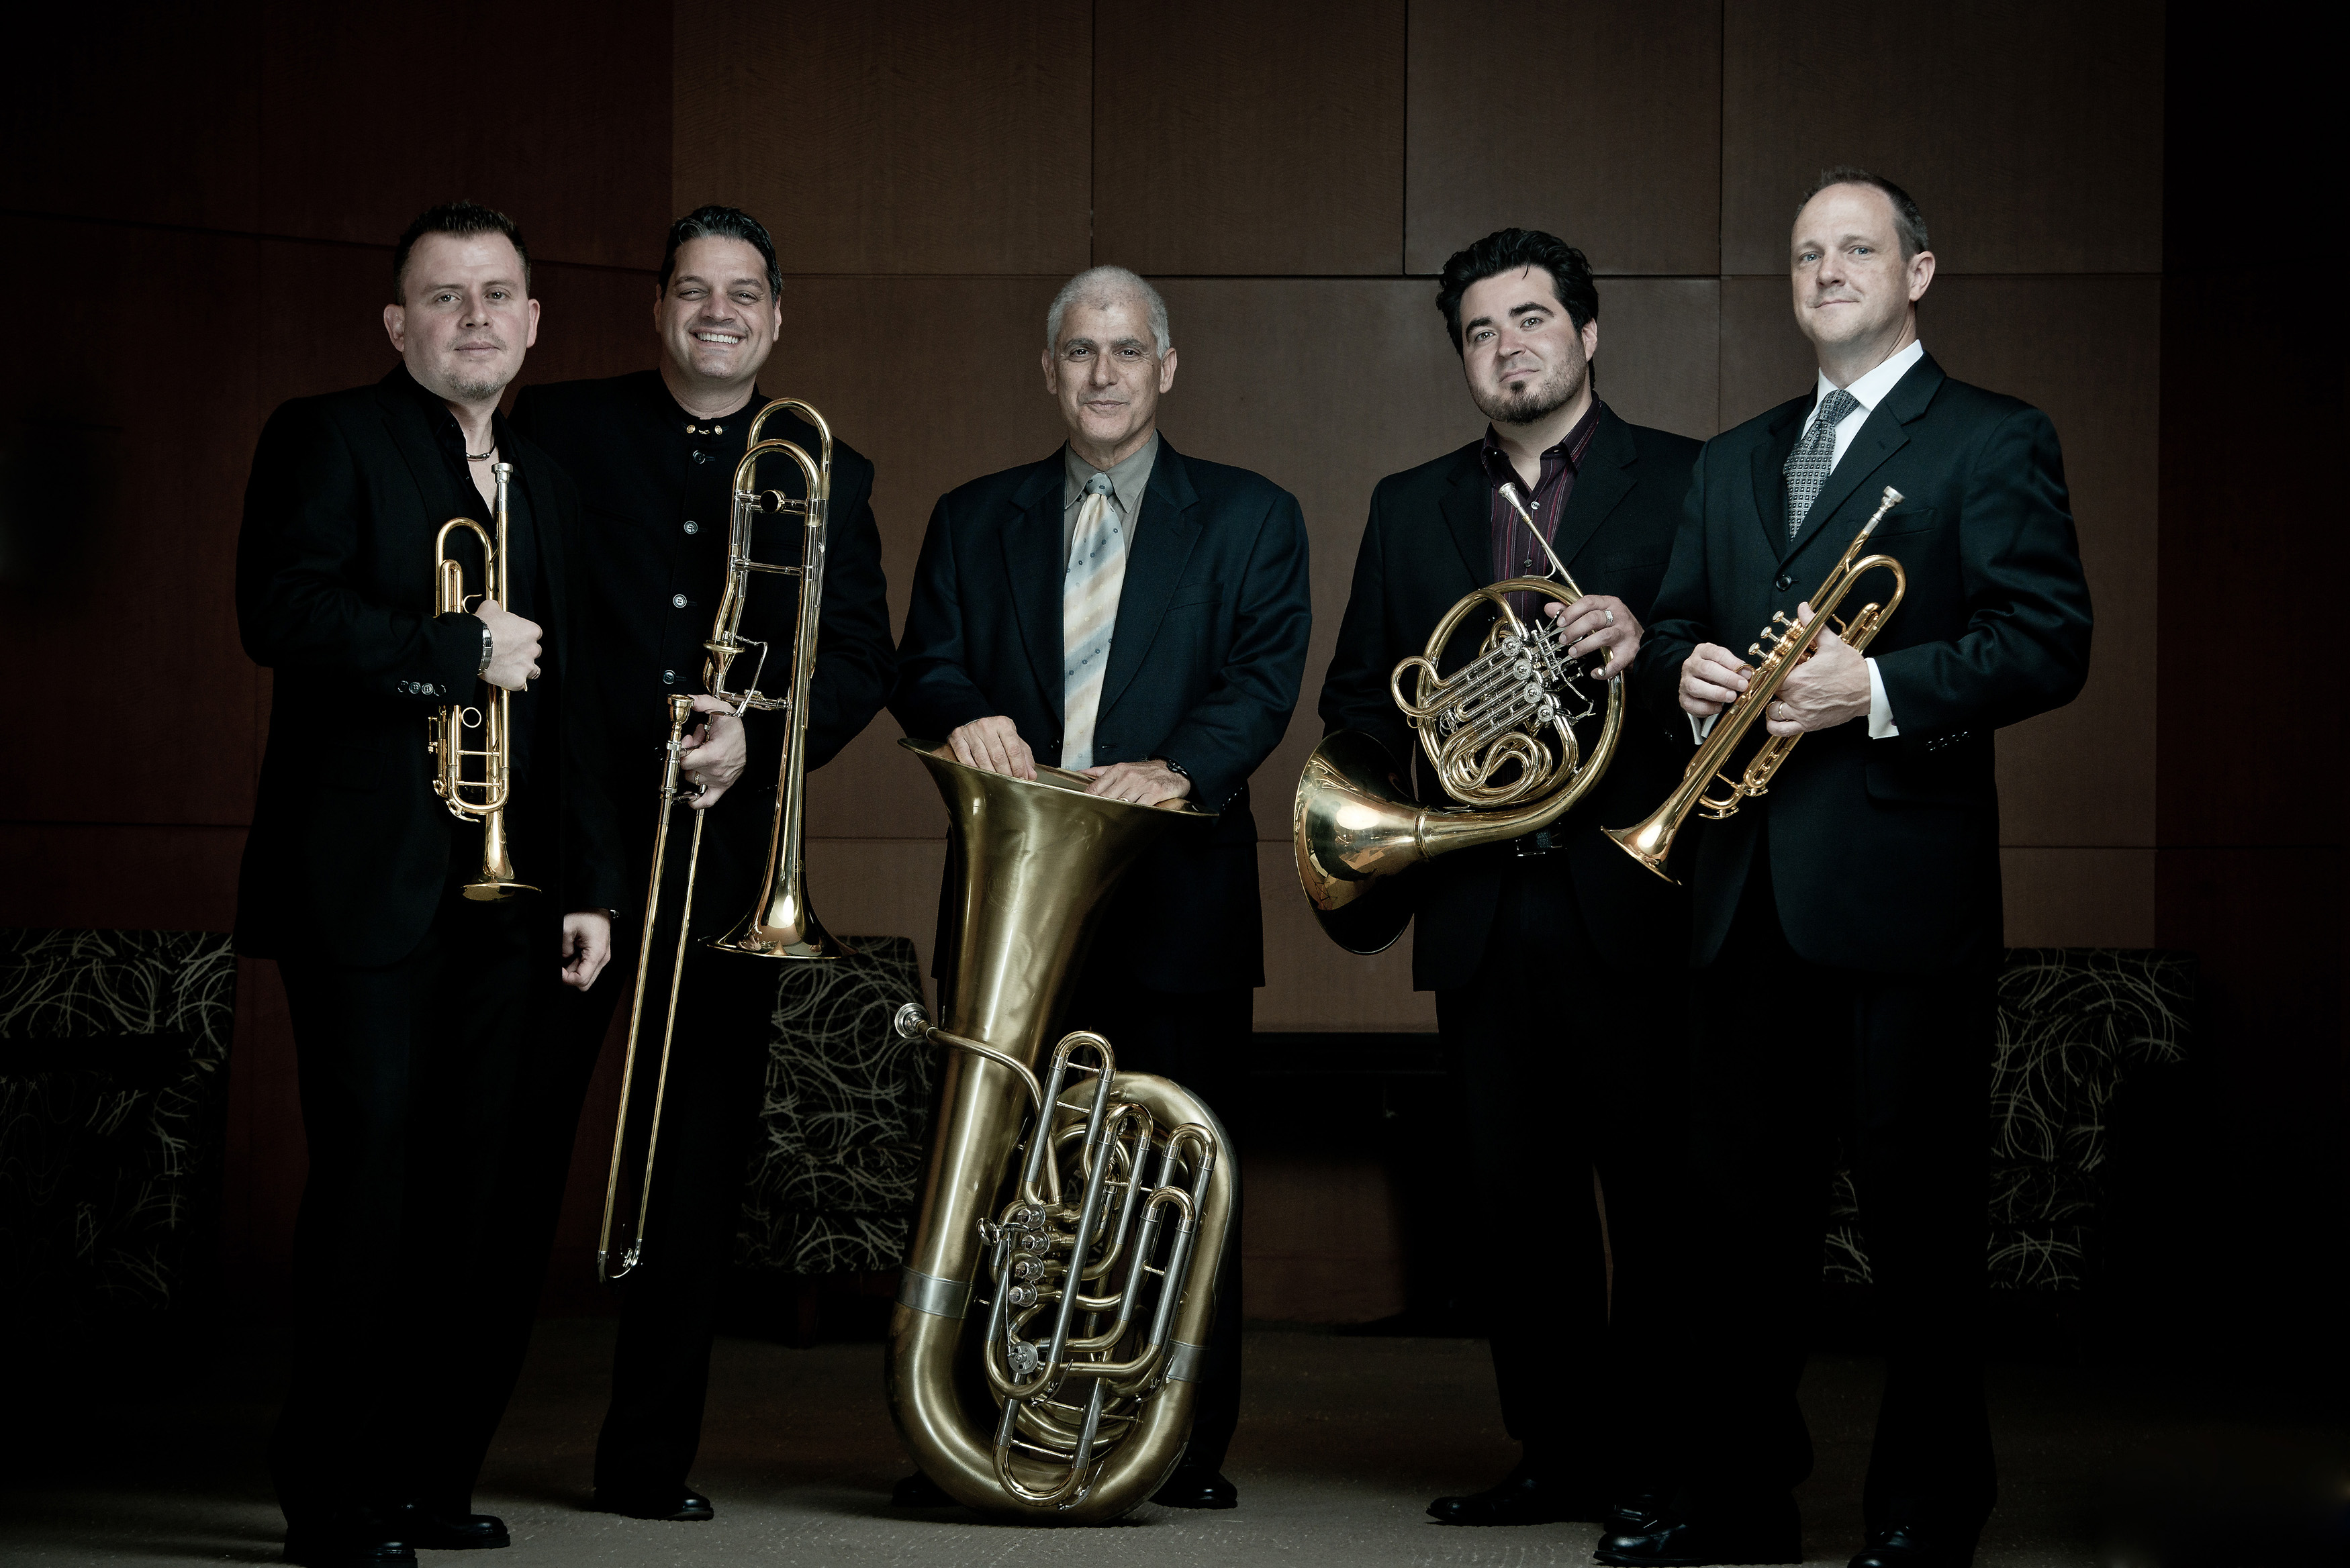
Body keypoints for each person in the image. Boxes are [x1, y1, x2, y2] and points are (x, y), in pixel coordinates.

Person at [1601, 170, 2092, 1568]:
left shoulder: (1990, 439)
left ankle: (1930, 1513)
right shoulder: (1731, 456)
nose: (1826, 269)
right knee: (1736, 1226)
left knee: (1921, 1227)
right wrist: (1688, 668)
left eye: (1856, 248)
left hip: (1896, 900)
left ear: (1917, 273)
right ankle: (1739, 1501)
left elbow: (2046, 640)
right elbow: (1692, 615)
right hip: (1742, 887)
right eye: (1807, 252)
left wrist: (1867, 688)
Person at [234, 201, 624, 1568]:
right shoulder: (328, 437)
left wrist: (590, 884)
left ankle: (425, 1476)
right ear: (398, 325)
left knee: (484, 1194)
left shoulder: (550, 483)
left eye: (496, 294)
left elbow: (572, 701)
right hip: (370, 893)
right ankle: (331, 1494)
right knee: (372, 1188)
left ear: (530, 323)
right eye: (443, 296)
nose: (473, 317)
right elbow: (278, 612)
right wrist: (452, 650)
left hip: (516, 900)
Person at [890, 264, 1311, 1510]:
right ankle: (962, 1430)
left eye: (1129, 352)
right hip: (1012, 908)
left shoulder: (1251, 514)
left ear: (1167, 368)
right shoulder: (976, 516)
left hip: (1175, 896)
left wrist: (1176, 771)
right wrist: (964, 718)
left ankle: (1174, 1449)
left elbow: (1262, 680)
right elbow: (928, 665)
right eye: (1082, 352)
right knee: (993, 1172)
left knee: (1177, 1188)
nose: (1105, 375)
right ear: (1050, 369)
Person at [501, 205, 895, 1522]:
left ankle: (646, 1460)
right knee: (510, 1146)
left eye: (742, 294)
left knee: (695, 1161)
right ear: (658, 308)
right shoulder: (555, 431)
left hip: (726, 853)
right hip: (569, 844)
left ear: (776, 317)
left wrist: (761, 730)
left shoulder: (833, 467)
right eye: (691, 290)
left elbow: (854, 665)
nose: (716, 311)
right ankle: (430, 1455)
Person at [1315, 229, 1698, 1530]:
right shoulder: (1405, 501)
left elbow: (1736, 671)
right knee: (1516, 1203)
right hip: (1481, 905)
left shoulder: (1688, 481)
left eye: (1531, 320)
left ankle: (1660, 1462)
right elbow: (1362, 699)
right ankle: (1554, 1453)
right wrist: (1455, 726)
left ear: (1587, 335)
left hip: (1632, 898)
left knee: (1653, 1201)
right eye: (1480, 332)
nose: (1508, 347)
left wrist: (1643, 647)